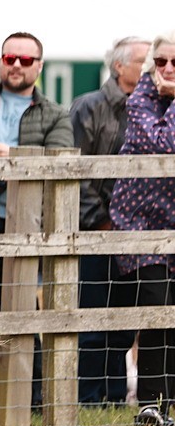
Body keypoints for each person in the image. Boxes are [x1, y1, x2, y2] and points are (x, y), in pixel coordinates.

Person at [0, 32, 73, 413]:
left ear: (39, 67)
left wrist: (14, 155)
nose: (16, 65)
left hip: (24, 225)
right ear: (1, 61)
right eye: (10, 57)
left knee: (25, 310)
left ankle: (33, 400)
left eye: (26, 60)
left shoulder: (56, 113)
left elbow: (63, 159)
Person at [70, 36, 149, 407]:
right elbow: (77, 171)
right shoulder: (89, 107)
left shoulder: (157, 108)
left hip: (140, 233)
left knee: (125, 322)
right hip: (96, 232)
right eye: (144, 61)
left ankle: (116, 397)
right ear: (119, 66)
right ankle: (87, 397)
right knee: (92, 319)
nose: (152, 69)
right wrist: (102, 222)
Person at [109, 31, 175, 426]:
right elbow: (163, 143)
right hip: (143, 224)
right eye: (161, 62)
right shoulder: (139, 102)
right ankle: (151, 405)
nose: (167, 70)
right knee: (156, 313)